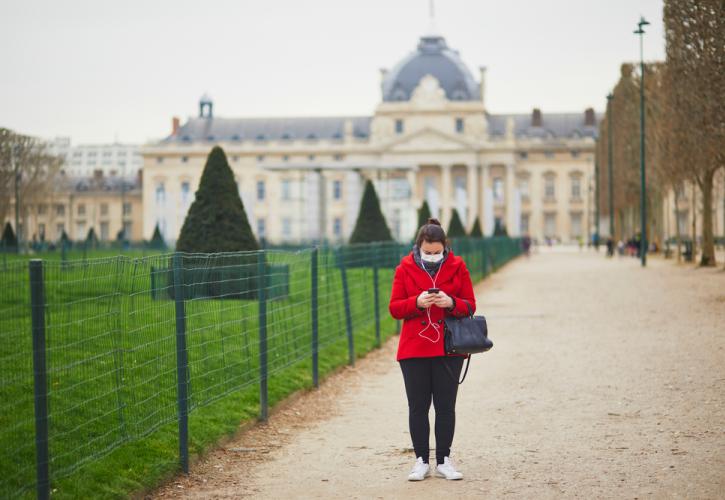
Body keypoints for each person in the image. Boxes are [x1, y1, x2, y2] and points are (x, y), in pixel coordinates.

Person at [388, 218, 476, 481]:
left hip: (449, 348)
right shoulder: (404, 268)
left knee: (446, 406)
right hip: (414, 348)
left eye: (438, 252)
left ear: (445, 247)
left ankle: (444, 460)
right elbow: (394, 308)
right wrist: (416, 302)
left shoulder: (458, 266)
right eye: (428, 252)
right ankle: (421, 460)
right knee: (418, 407)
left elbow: (470, 305)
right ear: (419, 246)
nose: (433, 256)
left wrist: (451, 302)